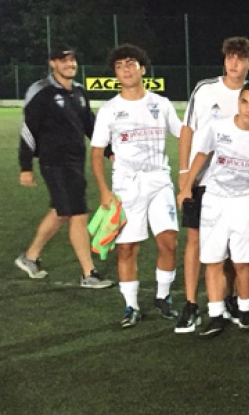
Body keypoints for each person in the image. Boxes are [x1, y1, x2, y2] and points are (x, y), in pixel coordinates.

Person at [175, 36, 249, 333]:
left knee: (238, 256)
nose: (234, 63)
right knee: (200, 245)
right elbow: (189, 131)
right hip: (206, 185)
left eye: (240, 58)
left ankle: (236, 304)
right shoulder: (205, 89)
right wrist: (185, 176)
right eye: (230, 56)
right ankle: (195, 305)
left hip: (244, 196)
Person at [89, 44, 182, 327]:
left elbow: (185, 135)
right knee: (127, 248)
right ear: (116, 74)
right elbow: (96, 152)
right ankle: (131, 306)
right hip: (126, 187)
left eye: (130, 63)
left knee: (169, 241)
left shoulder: (161, 104)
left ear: (142, 68)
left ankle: (163, 297)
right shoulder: (110, 110)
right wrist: (104, 190)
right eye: (119, 66)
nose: (126, 69)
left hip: (159, 181)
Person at [15, 44, 113, 289]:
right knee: (78, 214)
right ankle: (88, 273)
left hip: (75, 162)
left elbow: (90, 125)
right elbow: (28, 130)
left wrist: (109, 151)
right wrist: (25, 166)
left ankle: (30, 257)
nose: (70, 64)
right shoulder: (41, 91)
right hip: (55, 163)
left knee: (62, 211)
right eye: (63, 60)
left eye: (72, 60)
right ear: (52, 64)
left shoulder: (79, 91)